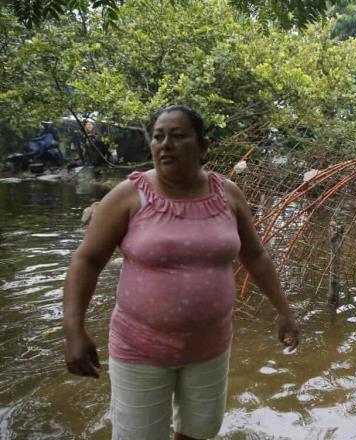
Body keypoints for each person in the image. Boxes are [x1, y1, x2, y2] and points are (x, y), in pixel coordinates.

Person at [62, 105, 300, 439]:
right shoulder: (129, 196)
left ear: (203, 147)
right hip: (140, 348)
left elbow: (255, 254)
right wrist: (74, 331)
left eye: (177, 136)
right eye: (158, 137)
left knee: (199, 432)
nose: (165, 144)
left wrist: (284, 310)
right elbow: (86, 261)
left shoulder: (228, 193)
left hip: (210, 347)